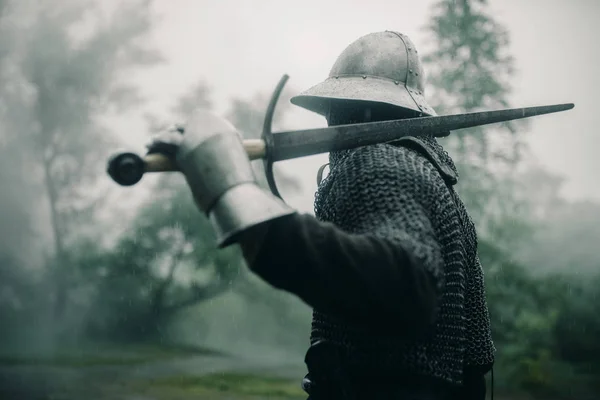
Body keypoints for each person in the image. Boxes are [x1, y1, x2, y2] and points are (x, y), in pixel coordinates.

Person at [147, 31, 495, 400]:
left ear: (342, 110)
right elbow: (475, 355)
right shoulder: (433, 180)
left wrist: (231, 188)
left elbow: (405, 288)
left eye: (334, 110)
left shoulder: (382, 164)